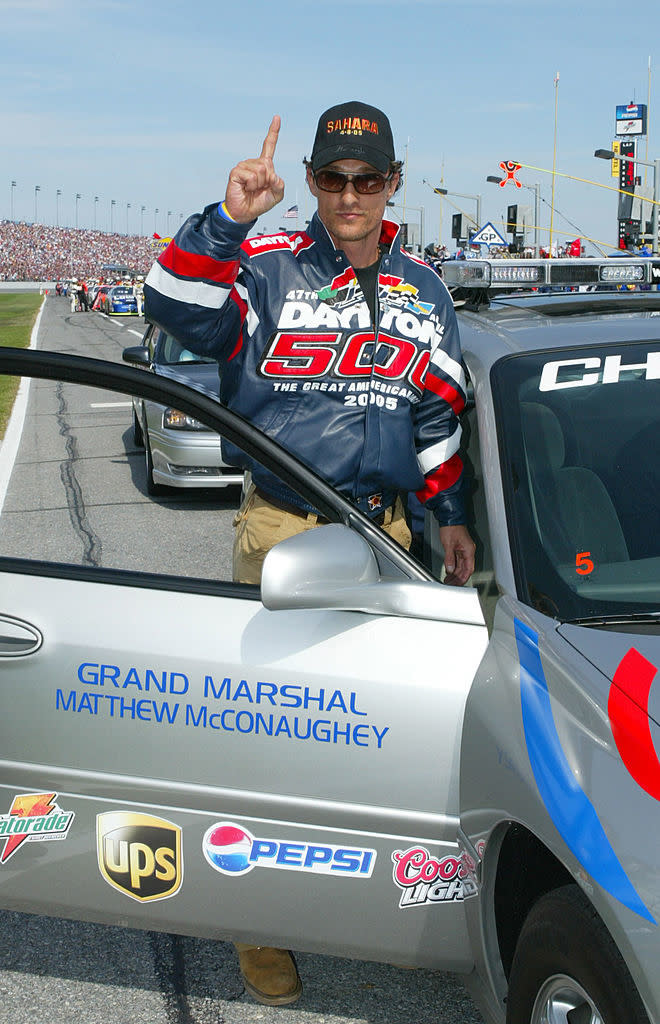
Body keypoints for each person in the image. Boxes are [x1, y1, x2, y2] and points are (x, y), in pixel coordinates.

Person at [144, 101, 475, 1003]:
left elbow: (437, 416)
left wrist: (447, 517)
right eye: (333, 179)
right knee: (269, 741)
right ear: (317, 186)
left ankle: (374, 900)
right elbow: (170, 309)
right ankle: (264, 935)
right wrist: (228, 219)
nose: (350, 195)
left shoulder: (426, 289)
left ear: (394, 184)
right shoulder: (267, 269)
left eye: (367, 180)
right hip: (284, 530)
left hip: (391, 536)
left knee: (381, 733)